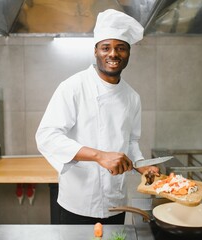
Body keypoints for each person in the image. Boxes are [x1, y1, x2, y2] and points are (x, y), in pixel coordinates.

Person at [35, 9, 160, 225]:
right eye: (106, 48)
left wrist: (141, 165)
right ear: (95, 51)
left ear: (128, 53)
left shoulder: (132, 97)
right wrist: (99, 155)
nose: (113, 54)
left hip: (115, 202)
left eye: (120, 48)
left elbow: (130, 141)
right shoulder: (73, 87)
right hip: (77, 201)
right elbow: (46, 136)